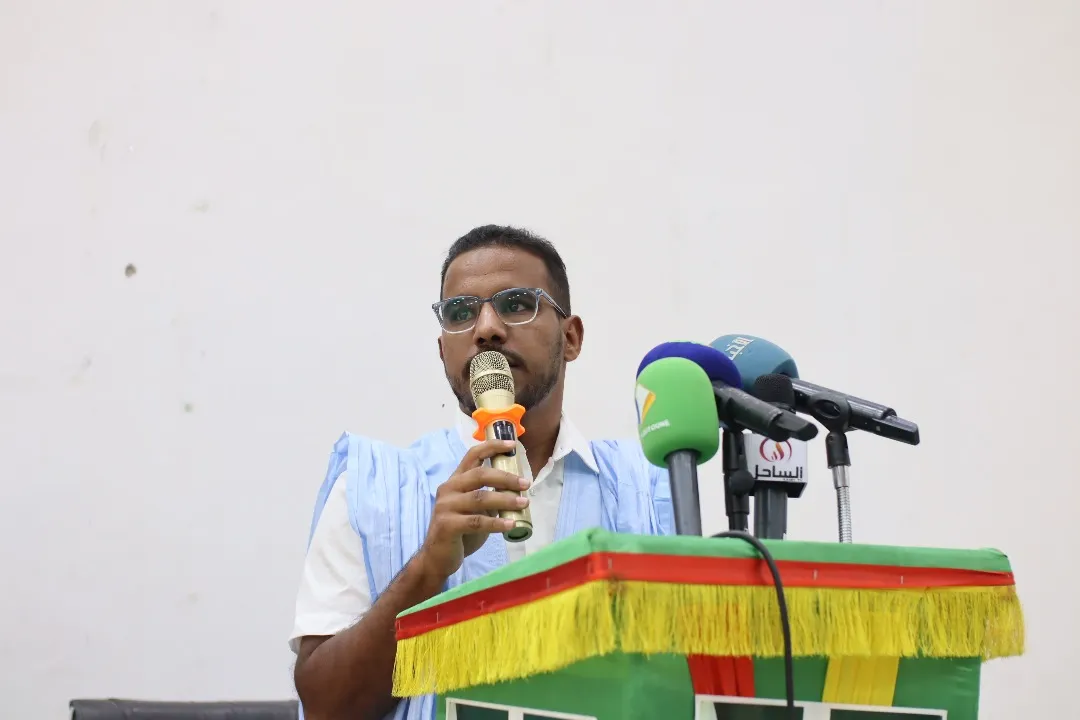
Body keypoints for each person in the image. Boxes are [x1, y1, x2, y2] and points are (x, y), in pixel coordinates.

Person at [289, 225, 674, 720]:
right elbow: (325, 707)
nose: (486, 328)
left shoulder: (647, 485)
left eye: (516, 304)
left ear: (571, 337)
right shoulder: (370, 487)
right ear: (442, 350)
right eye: (460, 313)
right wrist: (429, 568)